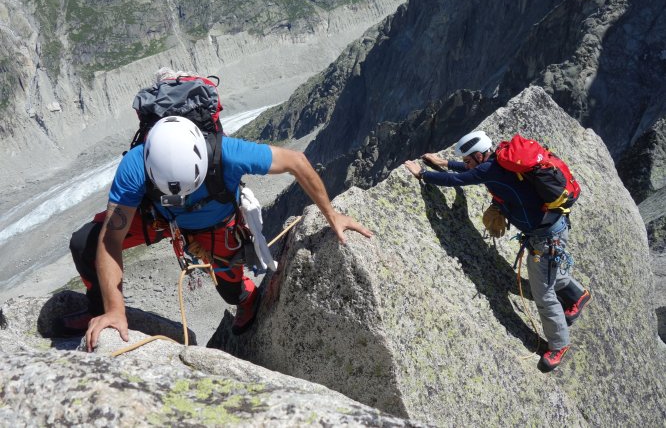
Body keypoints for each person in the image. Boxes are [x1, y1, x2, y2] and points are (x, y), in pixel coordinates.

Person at [66, 68, 372, 352]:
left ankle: (246, 299)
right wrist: (114, 311)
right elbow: (111, 240)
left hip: (213, 224)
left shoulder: (228, 153)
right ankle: (99, 308)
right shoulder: (135, 165)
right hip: (157, 217)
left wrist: (332, 215)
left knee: (231, 291)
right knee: (85, 243)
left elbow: (296, 162)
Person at [404, 130, 591, 371]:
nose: (466, 164)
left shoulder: (488, 169)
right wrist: (444, 163)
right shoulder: (499, 162)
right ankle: (577, 295)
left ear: (481, 156)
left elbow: (457, 180)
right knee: (547, 273)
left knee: (543, 294)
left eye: (468, 160)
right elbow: (472, 172)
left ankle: (559, 345)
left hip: (545, 240)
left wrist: (423, 174)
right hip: (552, 229)